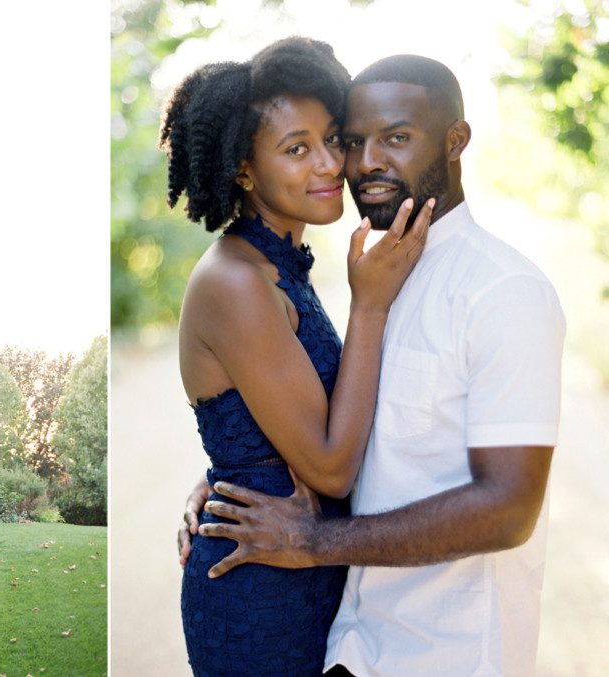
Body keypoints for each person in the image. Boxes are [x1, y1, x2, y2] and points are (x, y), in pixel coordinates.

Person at [182, 55, 566, 676]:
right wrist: (237, 476)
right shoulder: (374, 279)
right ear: (245, 167)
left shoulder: (500, 291)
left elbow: (508, 507)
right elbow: (341, 441)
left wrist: (301, 528)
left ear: (455, 141)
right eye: (350, 140)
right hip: (339, 625)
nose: (351, 164)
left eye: (392, 138)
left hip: (441, 649)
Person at [161, 37, 431, 676]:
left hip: (304, 566)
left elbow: (282, 418)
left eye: (332, 139)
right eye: (296, 148)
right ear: (242, 168)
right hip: (259, 592)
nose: (331, 164)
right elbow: (333, 469)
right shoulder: (236, 282)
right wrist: (369, 307)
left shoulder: (277, 266)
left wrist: (224, 475)